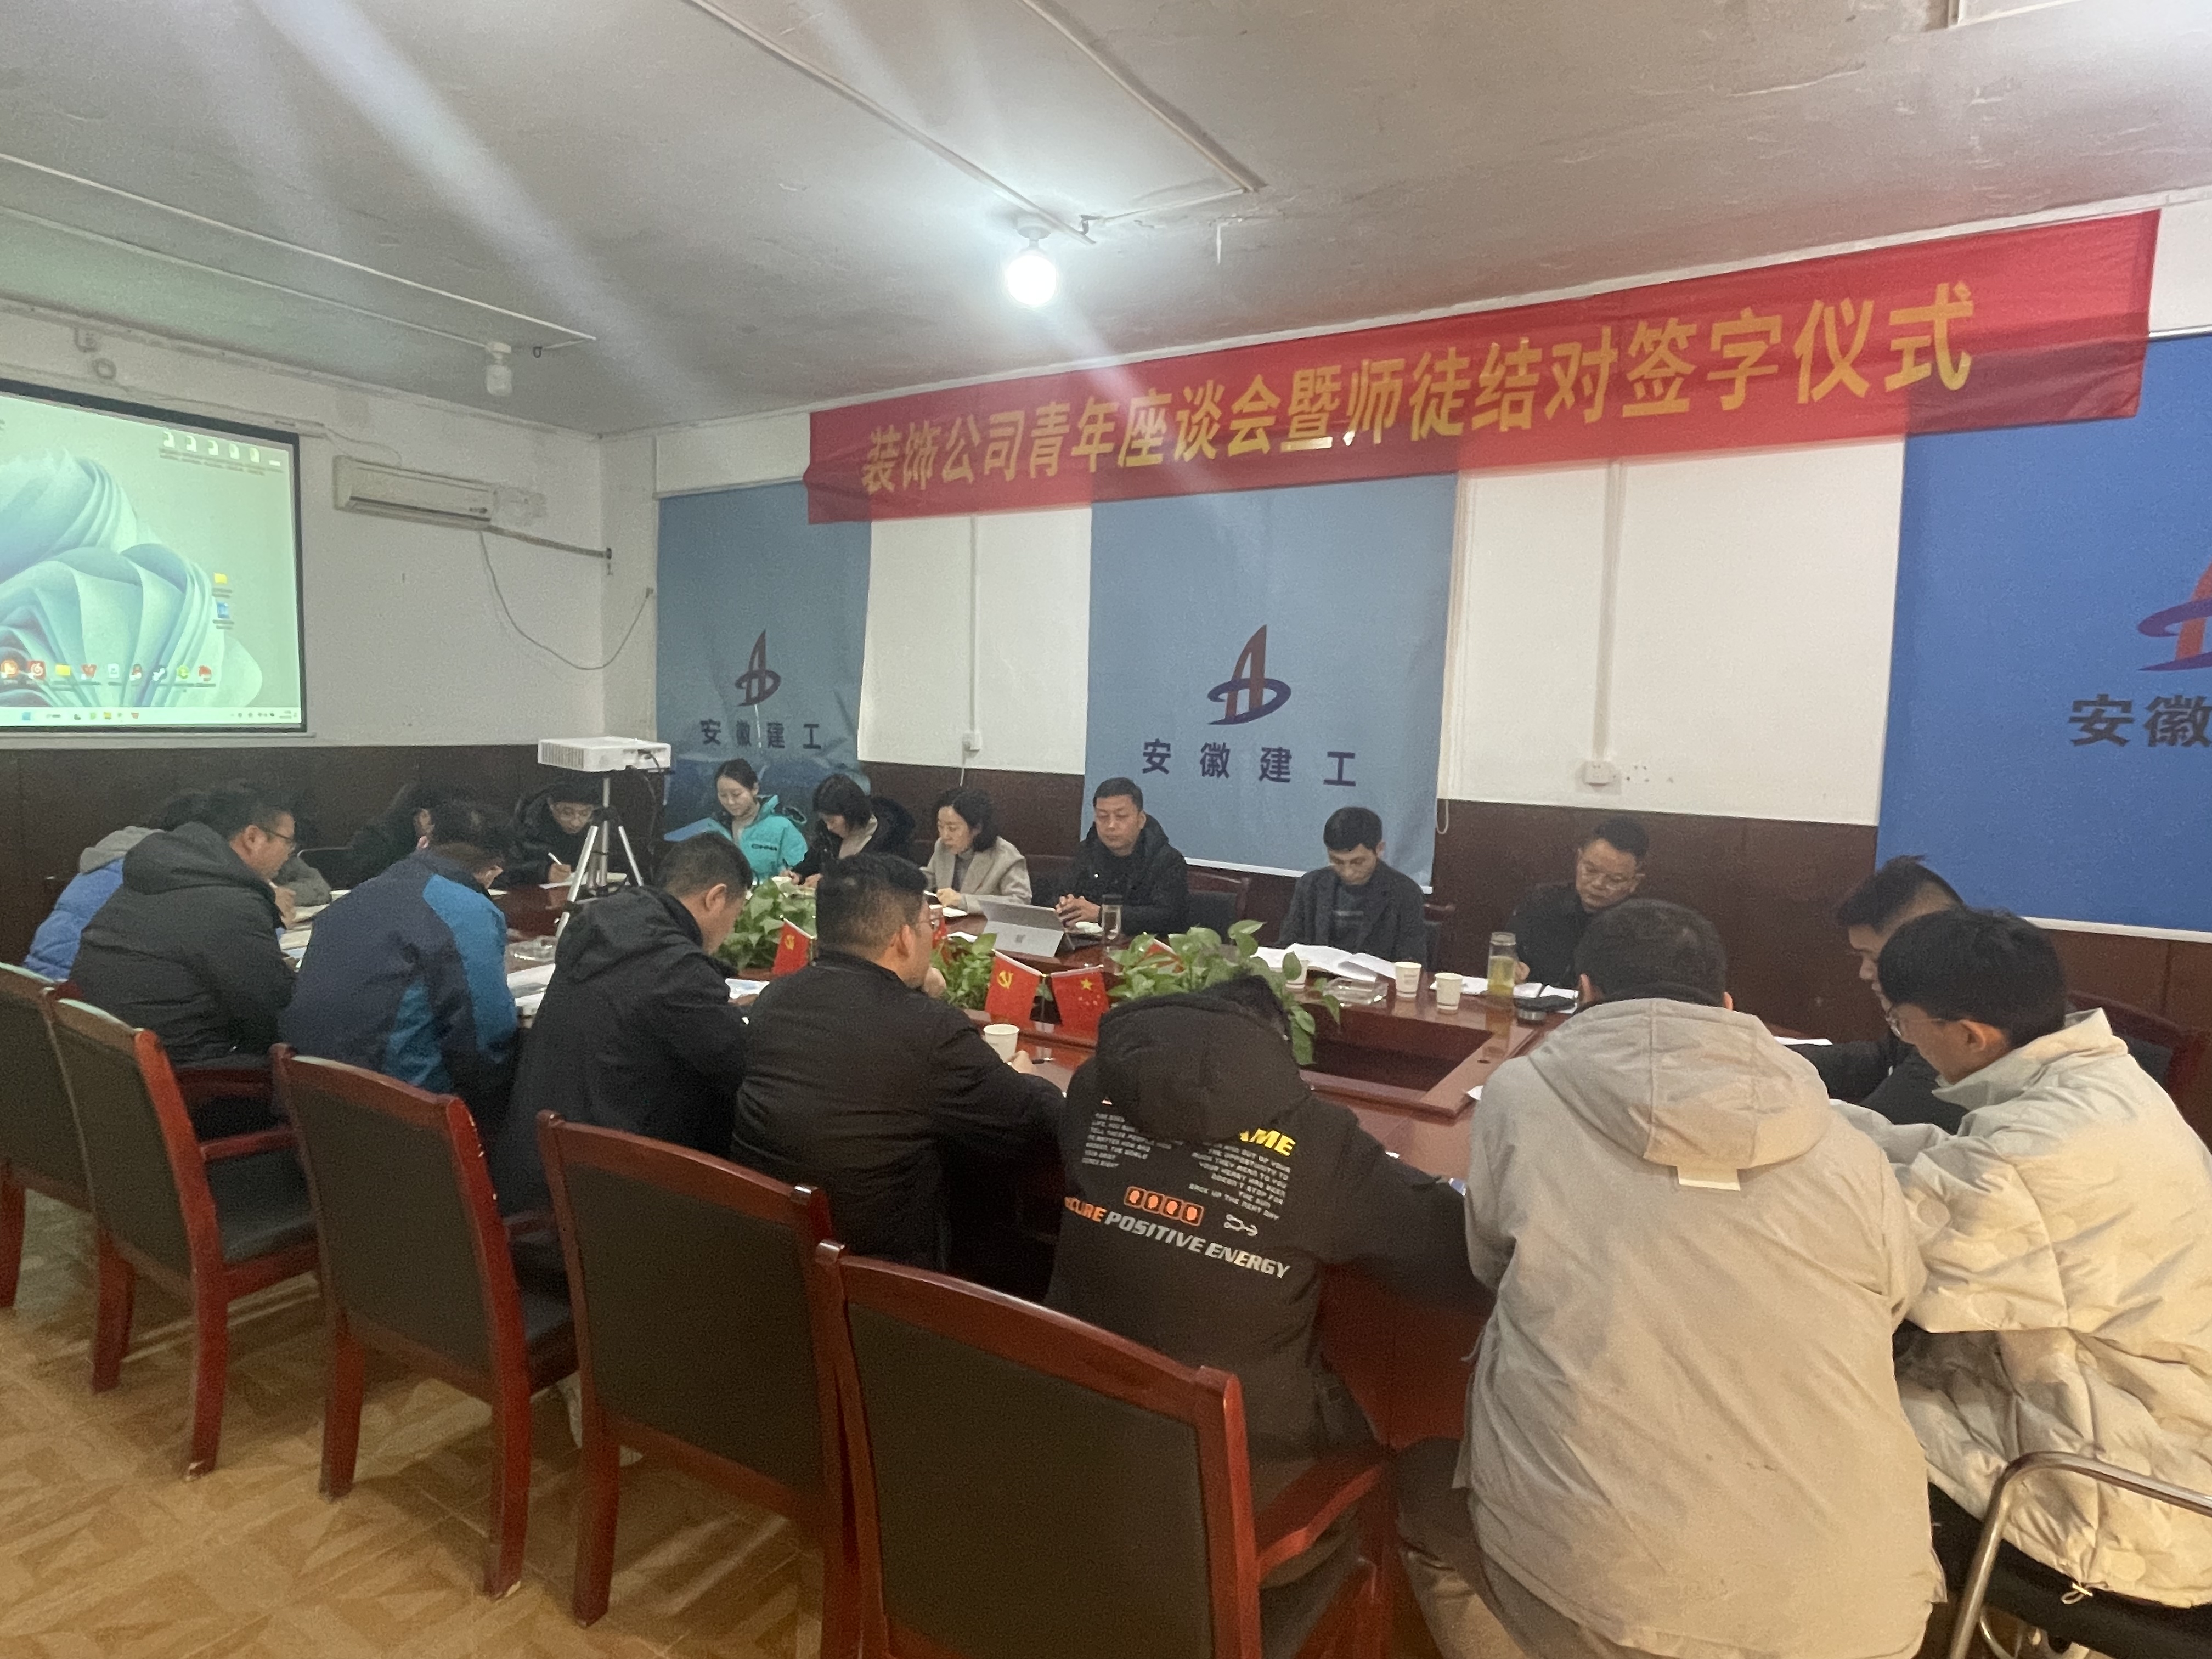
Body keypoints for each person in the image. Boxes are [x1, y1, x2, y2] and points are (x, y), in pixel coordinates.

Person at [1400, 899, 1935, 1659]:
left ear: (1586, 992)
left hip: (1604, 1602)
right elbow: (1895, 1299)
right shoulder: (1846, 1140)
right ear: (1726, 1005)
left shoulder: (1520, 1095)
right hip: (1863, 1617)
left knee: (1423, 1490)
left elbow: (1488, 1264)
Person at [1840, 909, 2212, 1606]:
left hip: (2123, 1488)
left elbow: (1886, 1249)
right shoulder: (2105, 1084)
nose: (1904, 1041)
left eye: (1902, 1024)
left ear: (1970, 1035)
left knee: (1817, 1410)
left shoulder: (2041, 1151)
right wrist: (1812, 1117)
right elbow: (1946, 1170)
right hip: (2146, 1404)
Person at [1047, 975, 1477, 1512]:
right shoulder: (1320, 1142)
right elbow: (1460, 1253)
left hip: (1069, 1431)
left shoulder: (1091, 1090)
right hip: (1239, 1484)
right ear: (1273, 1057)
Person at [729, 853, 1061, 1268]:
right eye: (928, 925)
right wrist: (1025, 1078)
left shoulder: (774, 1000)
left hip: (769, 1253)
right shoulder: (930, 1031)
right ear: (904, 938)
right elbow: (1026, 1124)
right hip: (876, 1276)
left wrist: (915, 993)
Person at [489, 833, 754, 1215]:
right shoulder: (675, 968)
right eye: (736, 913)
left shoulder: (600, 926)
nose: (731, 927)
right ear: (716, 897)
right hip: (600, 1200)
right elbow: (741, 1066)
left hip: (533, 1169)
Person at [280, 798, 519, 1131]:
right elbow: (485, 1036)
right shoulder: (466, 911)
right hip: (395, 1116)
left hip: (312, 1105)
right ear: (494, 869)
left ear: (425, 841)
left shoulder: (359, 894)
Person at [72, 780, 301, 1068]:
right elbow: (275, 1011)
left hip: (107, 1064)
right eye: (287, 842)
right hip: (185, 1075)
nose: (289, 853)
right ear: (253, 837)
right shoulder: (229, 902)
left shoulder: (155, 876)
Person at [25, 789, 330, 981]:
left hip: (48, 998)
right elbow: (246, 962)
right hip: (87, 1002)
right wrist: (267, 912)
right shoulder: (167, 876)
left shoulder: (128, 859)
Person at [1805, 855, 1965, 1130]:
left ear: (1937, 950)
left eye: (1877, 960)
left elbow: (1858, 1139)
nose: (1864, 973)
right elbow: (1882, 1060)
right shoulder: (1936, 1002)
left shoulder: (1957, 1045)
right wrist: (1772, 1058)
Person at [1504, 816, 1649, 988]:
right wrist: (1511, 965)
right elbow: (1508, 950)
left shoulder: (1643, 927)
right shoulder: (1542, 901)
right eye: (1591, 870)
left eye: (1614, 880)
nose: (1598, 884)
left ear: (1634, 882)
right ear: (1579, 860)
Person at [1277, 805, 1429, 963]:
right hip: (1318, 976)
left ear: (1379, 849)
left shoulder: (1405, 892)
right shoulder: (1310, 886)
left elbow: (1412, 961)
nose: (1347, 872)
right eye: (1337, 861)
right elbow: (1288, 946)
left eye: (1358, 862)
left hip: (1374, 978)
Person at [1053, 777, 1188, 937]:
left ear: (1141, 820)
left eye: (1121, 816)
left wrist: (1103, 915)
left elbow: (1169, 917)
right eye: (1103, 817)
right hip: (1089, 943)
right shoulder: (1087, 851)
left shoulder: (1167, 860)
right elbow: (1059, 894)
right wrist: (1066, 906)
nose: (1111, 825)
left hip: (1144, 947)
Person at [791, 772, 915, 884]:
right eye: (825, 820)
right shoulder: (827, 834)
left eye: (832, 821)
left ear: (851, 813)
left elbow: (888, 882)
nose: (829, 827)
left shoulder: (890, 837)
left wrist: (832, 882)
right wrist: (798, 874)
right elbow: (812, 863)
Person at [924, 787, 1030, 909]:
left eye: (952, 828)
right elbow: (927, 880)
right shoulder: (942, 846)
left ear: (977, 828)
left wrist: (964, 901)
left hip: (986, 921)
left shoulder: (1005, 855)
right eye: (940, 826)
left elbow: (1020, 902)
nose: (944, 835)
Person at [340, 782, 461, 887]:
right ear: (423, 815)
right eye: (436, 821)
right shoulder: (383, 839)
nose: (436, 828)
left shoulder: (391, 831)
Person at [710, 758, 810, 882]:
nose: (730, 802)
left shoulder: (782, 827)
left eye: (736, 794)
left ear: (754, 789)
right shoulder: (714, 828)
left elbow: (803, 871)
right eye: (723, 796)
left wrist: (792, 876)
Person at [504, 774, 600, 886]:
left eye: (585, 813)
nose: (576, 823)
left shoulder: (600, 823)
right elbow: (501, 871)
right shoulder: (528, 825)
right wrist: (542, 872)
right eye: (567, 813)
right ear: (551, 805)